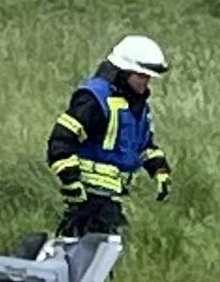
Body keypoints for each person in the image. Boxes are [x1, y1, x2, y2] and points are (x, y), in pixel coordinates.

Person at [44, 33, 170, 240]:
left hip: (112, 198)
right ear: (123, 71)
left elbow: (143, 145)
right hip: (88, 199)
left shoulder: (137, 105)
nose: (145, 84)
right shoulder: (94, 99)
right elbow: (61, 141)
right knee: (91, 260)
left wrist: (160, 170)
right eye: (141, 76)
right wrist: (71, 183)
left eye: (148, 78)